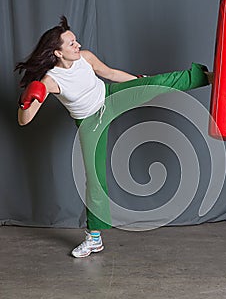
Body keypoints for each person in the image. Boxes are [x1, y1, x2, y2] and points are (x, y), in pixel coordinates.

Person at [16, 16, 212, 258]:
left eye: (76, 41)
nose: (77, 45)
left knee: (158, 82)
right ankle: (94, 239)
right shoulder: (51, 81)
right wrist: (28, 99)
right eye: (71, 44)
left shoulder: (85, 58)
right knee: (95, 179)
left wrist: (141, 84)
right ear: (57, 52)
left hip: (109, 98)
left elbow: (108, 73)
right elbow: (24, 121)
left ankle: (208, 77)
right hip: (89, 122)